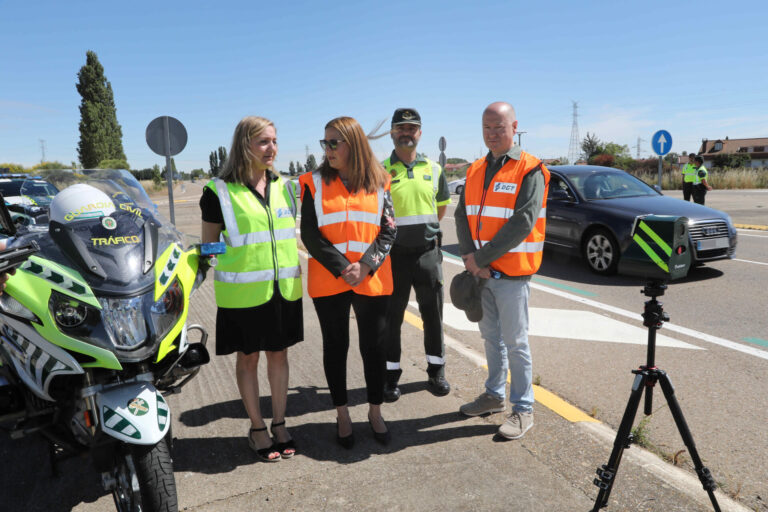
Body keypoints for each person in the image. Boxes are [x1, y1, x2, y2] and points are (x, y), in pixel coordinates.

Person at [200, 116, 302, 462]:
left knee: (279, 355)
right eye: (263, 142)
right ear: (244, 145)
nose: (271, 148)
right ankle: (257, 427)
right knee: (249, 358)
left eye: (274, 140)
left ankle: (280, 423)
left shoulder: (285, 186)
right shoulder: (218, 192)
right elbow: (208, 246)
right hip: (242, 295)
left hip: (283, 290)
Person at [454, 101, 549, 440]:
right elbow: (462, 214)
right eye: (487, 128)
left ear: (514, 127)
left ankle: (523, 410)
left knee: (516, 343)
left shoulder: (530, 169)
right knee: (490, 339)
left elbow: (522, 222)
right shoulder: (476, 168)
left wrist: (482, 259)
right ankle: (494, 396)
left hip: (511, 274)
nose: (492, 134)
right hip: (481, 274)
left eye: (499, 127)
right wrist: (468, 255)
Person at [300, 116, 396, 448]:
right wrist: (344, 268)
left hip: (371, 278)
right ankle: (342, 414)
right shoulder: (313, 182)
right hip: (331, 279)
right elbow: (309, 234)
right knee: (335, 346)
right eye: (324, 142)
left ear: (352, 145)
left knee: (374, 346)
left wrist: (366, 265)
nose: (327, 149)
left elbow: (389, 229)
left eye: (333, 143)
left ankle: (374, 411)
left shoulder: (380, 181)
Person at [382, 108, 452, 402]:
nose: (406, 133)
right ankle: (390, 377)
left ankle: (436, 371)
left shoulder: (434, 169)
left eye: (412, 128)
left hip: (427, 254)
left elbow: (441, 207)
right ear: (392, 133)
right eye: (401, 128)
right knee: (391, 319)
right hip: (394, 257)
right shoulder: (380, 169)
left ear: (419, 133)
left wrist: (426, 235)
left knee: (433, 316)